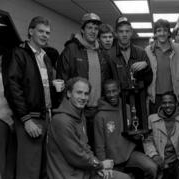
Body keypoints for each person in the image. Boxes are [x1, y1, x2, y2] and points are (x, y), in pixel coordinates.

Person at [47, 77, 130, 179]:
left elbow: (85, 147)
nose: (83, 97)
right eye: (79, 92)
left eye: (86, 94)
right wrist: (101, 165)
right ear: (68, 93)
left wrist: (98, 167)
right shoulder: (61, 120)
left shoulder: (80, 115)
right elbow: (77, 156)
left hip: (85, 171)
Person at [4, 16, 56, 179]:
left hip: (46, 116)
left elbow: (40, 87)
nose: (45, 35)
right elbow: (13, 89)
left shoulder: (46, 57)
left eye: (47, 32)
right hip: (30, 119)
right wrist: (26, 120)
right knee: (29, 169)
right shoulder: (18, 54)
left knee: (44, 167)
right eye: (41, 31)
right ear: (30, 31)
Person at [57, 12, 113, 148]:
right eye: (89, 27)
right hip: (78, 110)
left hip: (98, 110)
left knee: (97, 146)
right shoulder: (71, 50)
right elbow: (62, 81)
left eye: (95, 28)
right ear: (82, 29)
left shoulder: (102, 53)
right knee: (79, 146)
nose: (93, 31)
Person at [94, 79, 158, 179]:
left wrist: (137, 136)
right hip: (112, 159)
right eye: (108, 92)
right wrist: (104, 165)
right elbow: (99, 146)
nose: (111, 95)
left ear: (119, 90)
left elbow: (132, 131)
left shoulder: (127, 107)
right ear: (104, 93)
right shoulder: (100, 116)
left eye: (114, 91)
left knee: (152, 167)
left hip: (129, 154)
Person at [145, 19, 179, 114]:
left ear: (169, 33)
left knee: (175, 127)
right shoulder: (148, 51)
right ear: (155, 34)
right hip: (155, 98)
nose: (162, 33)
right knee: (156, 127)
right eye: (159, 31)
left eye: (165, 30)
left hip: (174, 97)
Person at [106, 16, 152, 90]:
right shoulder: (109, 55)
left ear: (131, 33)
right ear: (116, 34)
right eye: (121, 31)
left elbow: (149, 80)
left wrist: (146, 68)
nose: (124, 34)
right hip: (118, 98)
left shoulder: (141, 52)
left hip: (138, 97)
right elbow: (106, 80)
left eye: (127, 31)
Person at [0, 51, 14, 179]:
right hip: (4, 120)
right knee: (5, 156)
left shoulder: (7, 76)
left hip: (6, 119)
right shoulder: (3, 77)